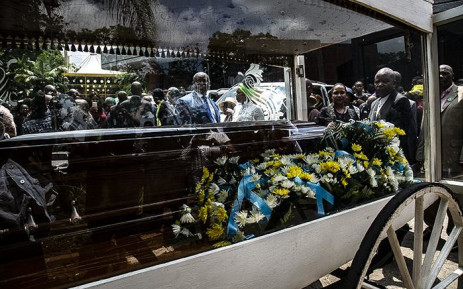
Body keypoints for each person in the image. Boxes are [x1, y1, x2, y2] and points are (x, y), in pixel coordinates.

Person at [368, 67, 412, 160]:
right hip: (376, 154)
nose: (380, 84)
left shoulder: (400, 101)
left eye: (385, 81)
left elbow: (399, 130)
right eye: (377, 82)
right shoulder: (374, 103)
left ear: (394, 83)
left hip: (393, 155)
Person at [438, 64, 463, 177]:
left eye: (445, 73)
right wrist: (420, 156)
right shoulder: (431, 95)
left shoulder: (461, 93)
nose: (441, 76)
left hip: (454, 156)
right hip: (435, 158)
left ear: (453, 76)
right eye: (439, 73)